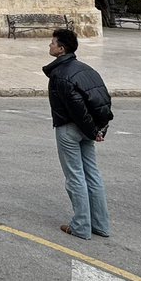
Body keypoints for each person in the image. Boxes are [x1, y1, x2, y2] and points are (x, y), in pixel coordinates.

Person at [44, 29, 112, 240]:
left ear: (61, 49)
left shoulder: (60, 75)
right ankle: (101, 224)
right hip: (87, 129)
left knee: (75, 176)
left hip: (70, 129)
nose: (49, 46)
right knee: (92, 173)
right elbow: (102, 100)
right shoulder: (87, 69)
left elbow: (76, 108)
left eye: (52, 43)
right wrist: (98, 130)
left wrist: (92, 131)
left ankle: (82, 225)